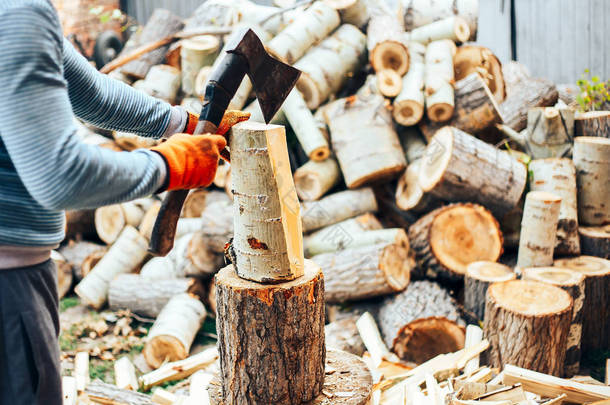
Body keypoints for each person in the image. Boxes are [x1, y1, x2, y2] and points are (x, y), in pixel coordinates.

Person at [0, 1, 243, 403]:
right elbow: (61, 175)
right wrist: (171, 165)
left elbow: (89, 91)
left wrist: (180, 124)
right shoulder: (17, 11)